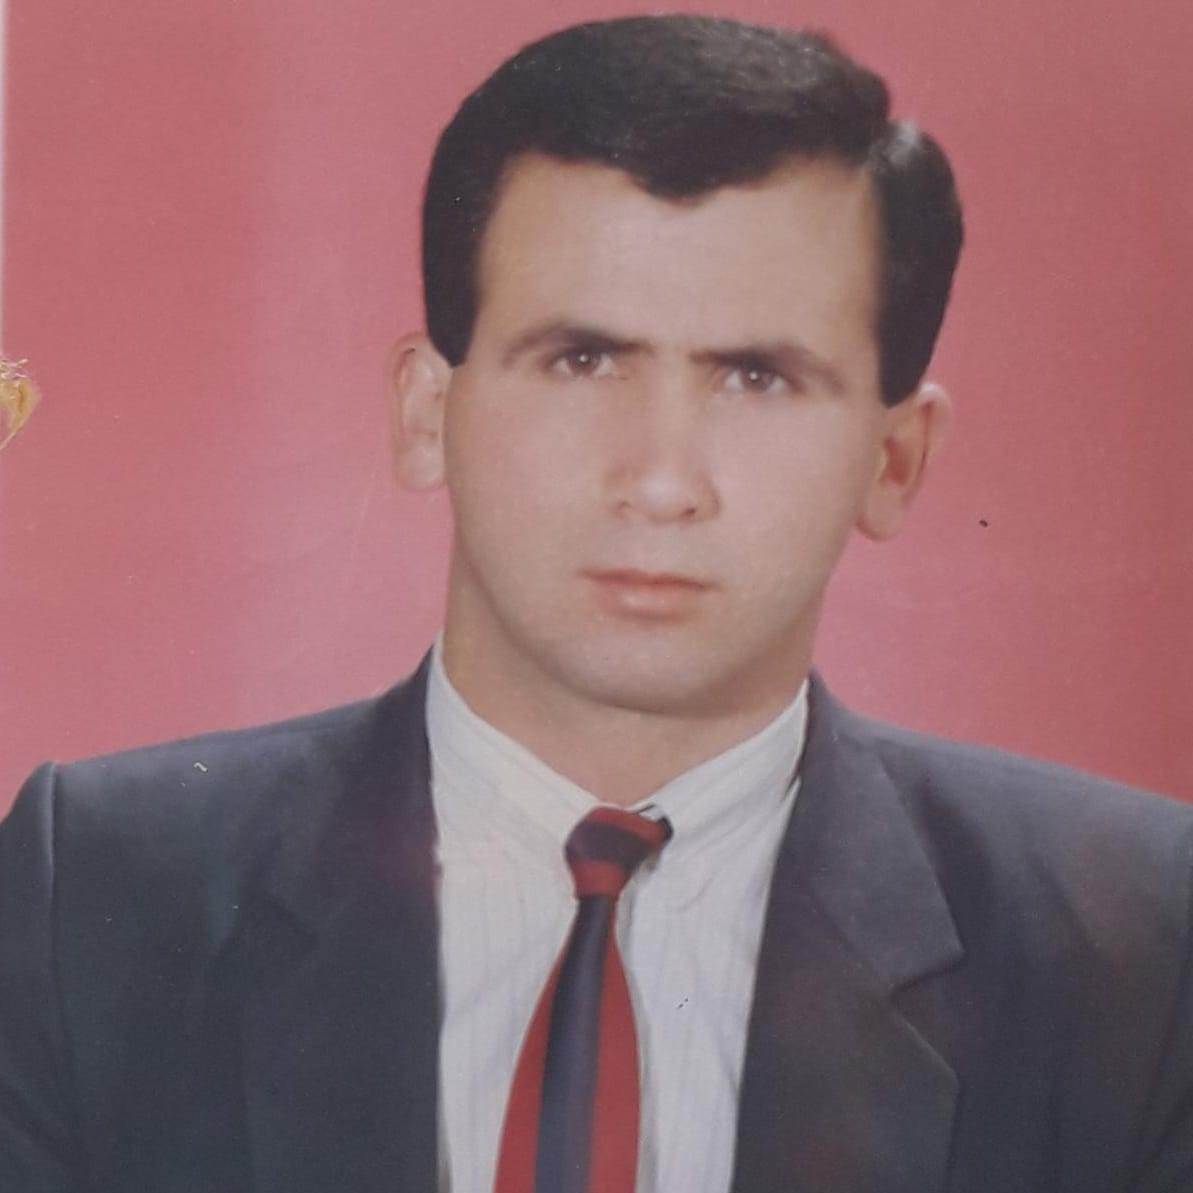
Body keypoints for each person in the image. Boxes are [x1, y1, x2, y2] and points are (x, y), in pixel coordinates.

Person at [1, 15, 1190, 1193]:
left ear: (893, 458)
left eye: (756, 376)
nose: (661, 481)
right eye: (580, 359)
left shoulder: (1139, 943)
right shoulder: (93, 891)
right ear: (425, 412)